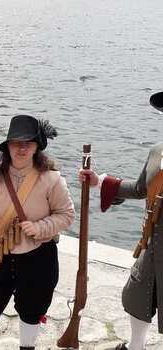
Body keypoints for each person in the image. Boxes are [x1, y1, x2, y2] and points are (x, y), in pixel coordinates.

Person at [0, 115, 75, 350]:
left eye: (28, 142)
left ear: (37, 146)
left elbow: (66, 215)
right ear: (7, 146)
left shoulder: (52, 179)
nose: (22, 148)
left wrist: (39, 228)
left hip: (39, 256)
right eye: (16, 142)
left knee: (32, 309)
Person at [79, 92, 163, 350]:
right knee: (137, 298)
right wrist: (101, 182)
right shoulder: (158, 151)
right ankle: (135, 346)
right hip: (153, 245)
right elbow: (140, 188)